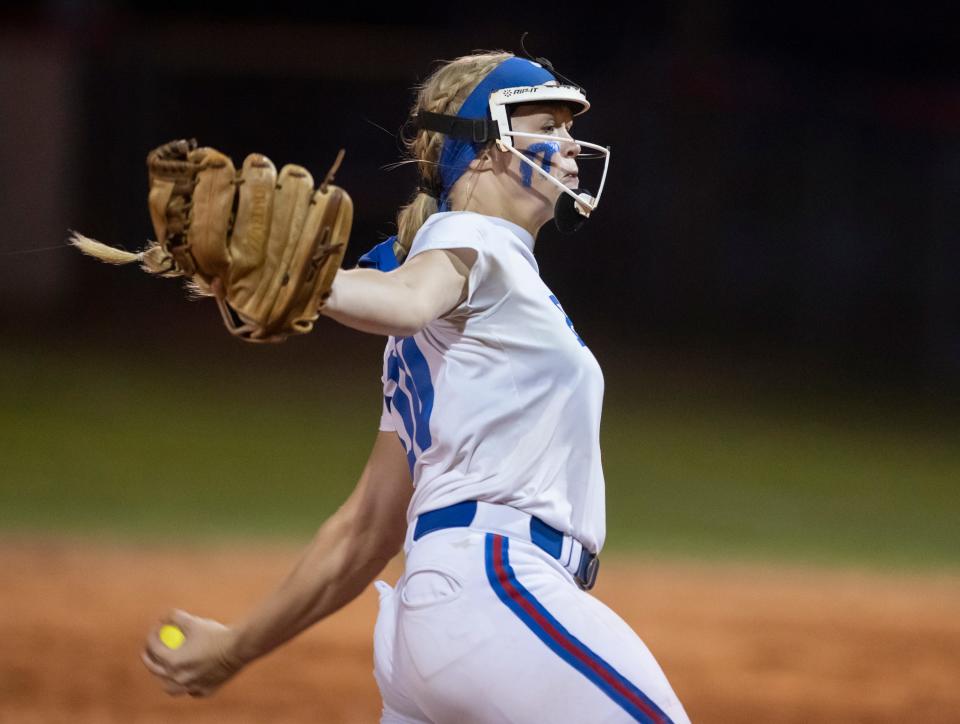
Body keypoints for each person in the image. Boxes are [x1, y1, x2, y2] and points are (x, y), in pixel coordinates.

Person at [141, 49, 691, 724]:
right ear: (483, 147)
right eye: (547, 123)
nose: (570, 144)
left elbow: (364, 529)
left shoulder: (453, 318)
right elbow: (405, 298)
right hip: (496, 593)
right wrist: (324, 282)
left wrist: (235, 647)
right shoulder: (473, 237)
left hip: (431, 615)